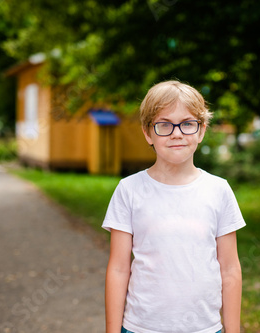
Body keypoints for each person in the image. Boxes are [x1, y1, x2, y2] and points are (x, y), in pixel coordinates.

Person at [103, 80, 245, 333]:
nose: (177, 133)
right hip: (141, 328)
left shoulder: (219, 190)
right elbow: (118, 268)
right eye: (164, 125)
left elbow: (230, 269)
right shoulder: (129, 190)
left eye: (188, 123)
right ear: (148, 133)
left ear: (201, 131)